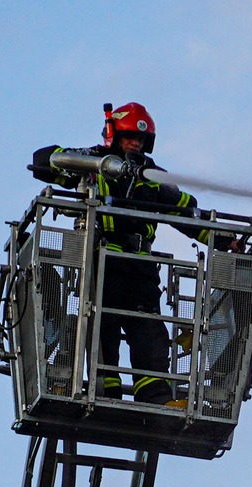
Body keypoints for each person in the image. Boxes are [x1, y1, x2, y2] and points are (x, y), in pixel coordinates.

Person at [29, 102, 214, 405]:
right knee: (103, 325)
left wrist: (222, 240)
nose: (135, 144)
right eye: (129, 137)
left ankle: (154, 396)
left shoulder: (153, 177)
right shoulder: (91, 162)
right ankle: (105, 390)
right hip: (101, 261)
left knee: (150, 331)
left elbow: (186, 213)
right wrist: (90, 164)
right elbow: (43, 160)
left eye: (140, 140)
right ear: (113, 136)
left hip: (141, 265)